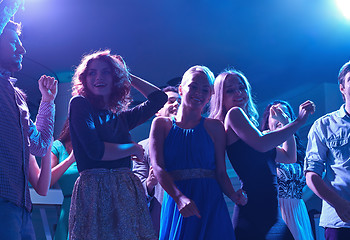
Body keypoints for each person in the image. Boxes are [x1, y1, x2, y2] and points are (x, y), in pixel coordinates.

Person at [68, 50, 167, 240]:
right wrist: (133, 148)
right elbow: (95, 151)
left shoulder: (120, 116)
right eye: (92, 72)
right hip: (95, 190)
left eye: (106, 72)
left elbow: (159, 99)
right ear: (85, 79)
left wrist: (126, 74)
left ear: (115, 78)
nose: (99, 77)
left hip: (126, 191)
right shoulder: (80, 104)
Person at [209, 69, 315, 240]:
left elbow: (289, 157)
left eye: (242, 87)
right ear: (221, 96)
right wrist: (299, 122)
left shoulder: (251, 128)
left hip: (271, 210)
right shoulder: (234, 114)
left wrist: (286, 122)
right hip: (253, 211)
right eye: (230, 90)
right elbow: (262, 144)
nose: (238, 93)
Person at [149, 65, 247, 240]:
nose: (199, 93)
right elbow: (158, 167)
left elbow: (221, 172)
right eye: (193, 86)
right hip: (178, 201)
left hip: (211, 201)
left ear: (211, 95)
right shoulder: (161, 125)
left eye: (205, 89)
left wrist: (233, 195)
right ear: (181, 89)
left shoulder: (215, 127)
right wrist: (179, 198)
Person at [0, 6, 58, 239]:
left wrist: (47, 101)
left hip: (21, 207)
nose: (23, 49)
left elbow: (40, 145)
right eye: (14, 42)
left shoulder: (17, 96)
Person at [305, 61, 350, 240]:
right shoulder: (324, 125)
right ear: (341, 88)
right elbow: (311, 175)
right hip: (341, 221)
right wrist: (339, 204)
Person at [261, 100, 314, 240]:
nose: (280, 117)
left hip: (297, 210)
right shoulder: (264, 141)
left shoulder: (297, 148)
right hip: (276, 210)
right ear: (267, 121)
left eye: (284, 114)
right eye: (275, 114)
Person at [132, 85, 180, 237]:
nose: (176, 104)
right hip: (159, 221)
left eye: (179, 101)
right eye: (171, 101)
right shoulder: (143, 147)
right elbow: (136, 189)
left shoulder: (192, 139)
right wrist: (150, 183)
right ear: (157, 111)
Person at [49, 119, 78, 240]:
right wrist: (70, 160)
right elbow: (47, 181)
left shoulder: (97, 145)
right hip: (69, 210)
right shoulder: (58, 147)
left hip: (96, 208)